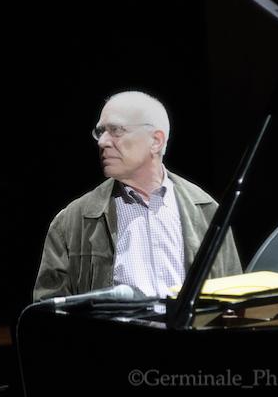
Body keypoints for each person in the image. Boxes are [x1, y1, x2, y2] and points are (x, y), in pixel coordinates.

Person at [33, 91, 242, 302]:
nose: (102, 142)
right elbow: (47, 315)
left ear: (156, 141)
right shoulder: (71, 222)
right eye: (101, 132)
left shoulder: (207, 212)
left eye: (115, 130)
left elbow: (235, 301)